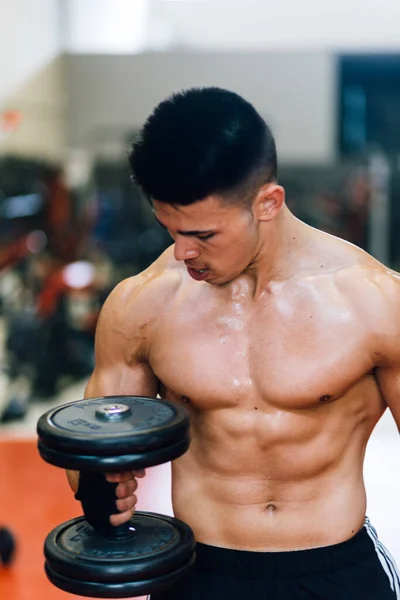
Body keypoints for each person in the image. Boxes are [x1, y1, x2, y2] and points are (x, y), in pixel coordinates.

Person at [67, 87, 400, 599]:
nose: (182, 253)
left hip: (334, 572)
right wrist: (98, 483)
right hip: (196, 574)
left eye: (203, 234)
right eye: (170, 230)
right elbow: (93, 455)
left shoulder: (375, 301)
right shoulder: (142, 305)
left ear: (268, 203)